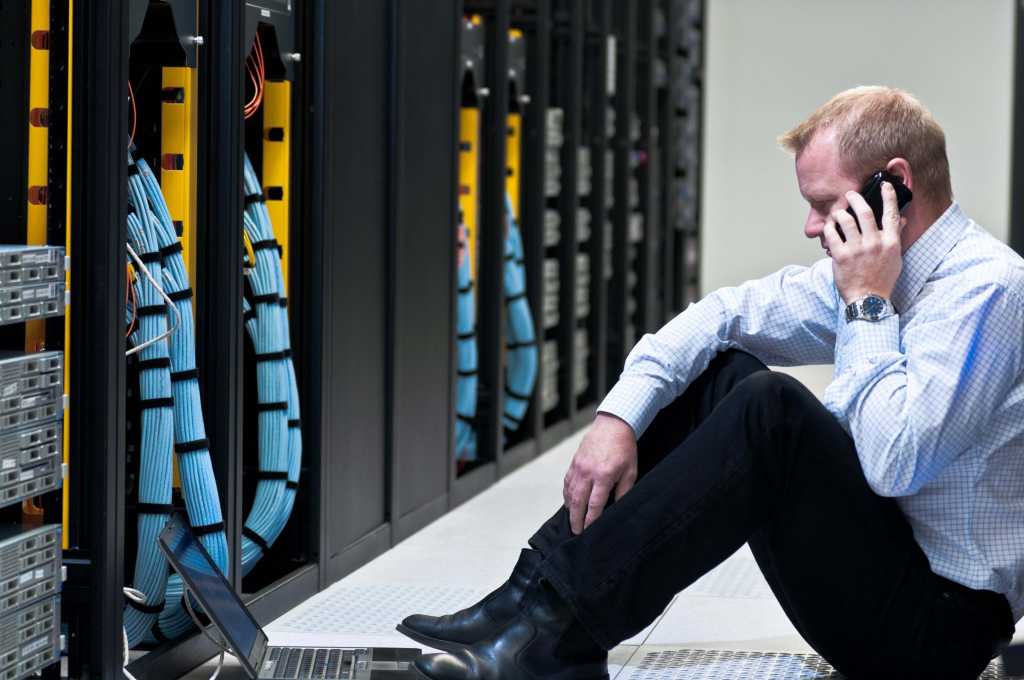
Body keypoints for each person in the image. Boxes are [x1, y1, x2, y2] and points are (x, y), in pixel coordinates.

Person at [398, 86, 1024, 680]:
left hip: (934, 632)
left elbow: (894, 463)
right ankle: (531, 599)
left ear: (896, 185)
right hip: (880, 573)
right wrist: (617, 418)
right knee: (726, 371)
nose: (811, 227)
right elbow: (722, 317)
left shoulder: (985, 290)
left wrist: (866, 304)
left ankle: (555, 636)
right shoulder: (880, 272)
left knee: (770, 408)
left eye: (824, 204)